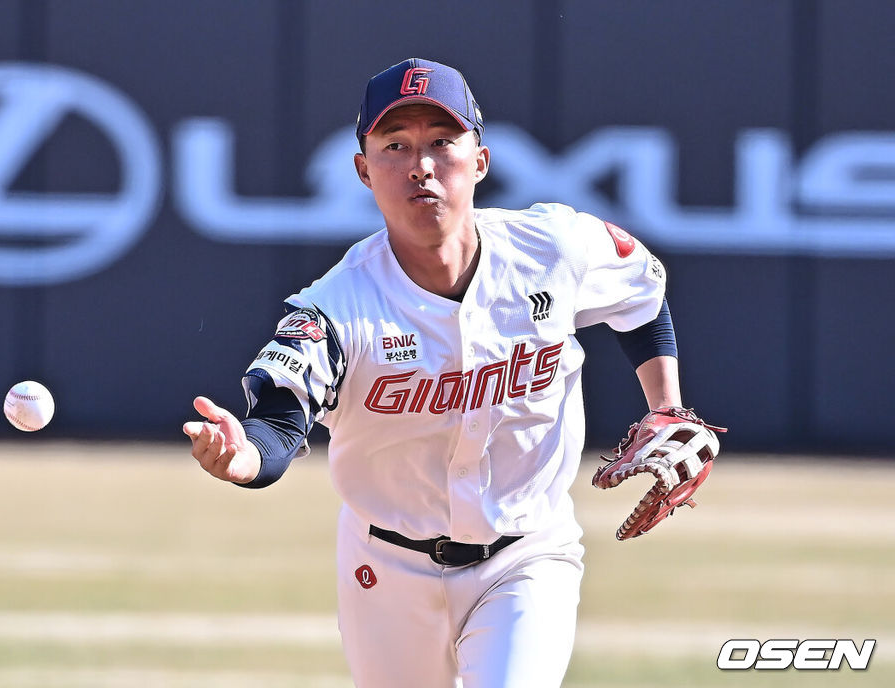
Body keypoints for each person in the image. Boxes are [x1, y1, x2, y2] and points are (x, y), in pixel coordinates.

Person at [183, 58, 688, 687]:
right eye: (395, 145)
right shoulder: (338, 307)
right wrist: (244, 460)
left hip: (528, 554)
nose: (421, 165)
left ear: (479, 160)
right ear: (364, 170)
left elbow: (641, 296)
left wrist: (665, 406)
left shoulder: (554, 250)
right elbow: (281, 425)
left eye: (441, 143)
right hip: (386, 567)